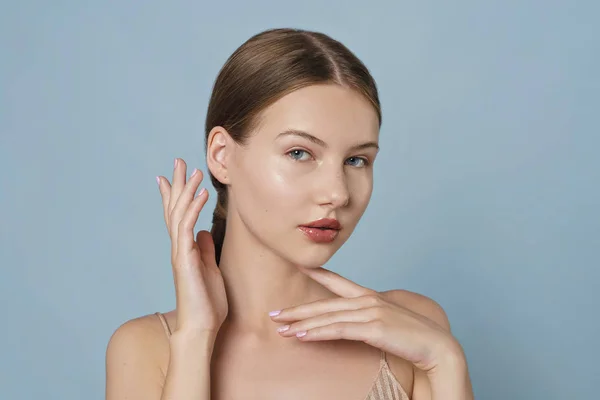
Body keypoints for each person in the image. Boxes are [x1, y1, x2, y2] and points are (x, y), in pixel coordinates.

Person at [105, 27, 474, 400]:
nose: (337, 192)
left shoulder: (414, 330)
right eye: (299, 153)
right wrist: (196, 337)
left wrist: (445, 360)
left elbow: (439, 357)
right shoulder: (147, 350)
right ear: (221, 155)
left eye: (356, 160)